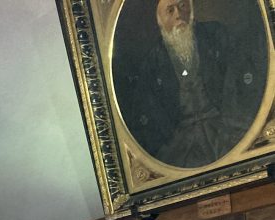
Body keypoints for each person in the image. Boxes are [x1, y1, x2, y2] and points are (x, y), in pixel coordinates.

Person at [113, 0, 265, 168]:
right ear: (160, 20)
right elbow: (151, 116)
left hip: (223, 128)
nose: (178, 14)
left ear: (191, 9)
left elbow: (238, 81)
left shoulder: (215, 35)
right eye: (170, 11)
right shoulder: (153, 62)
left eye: (182, 6)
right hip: (182, 142)